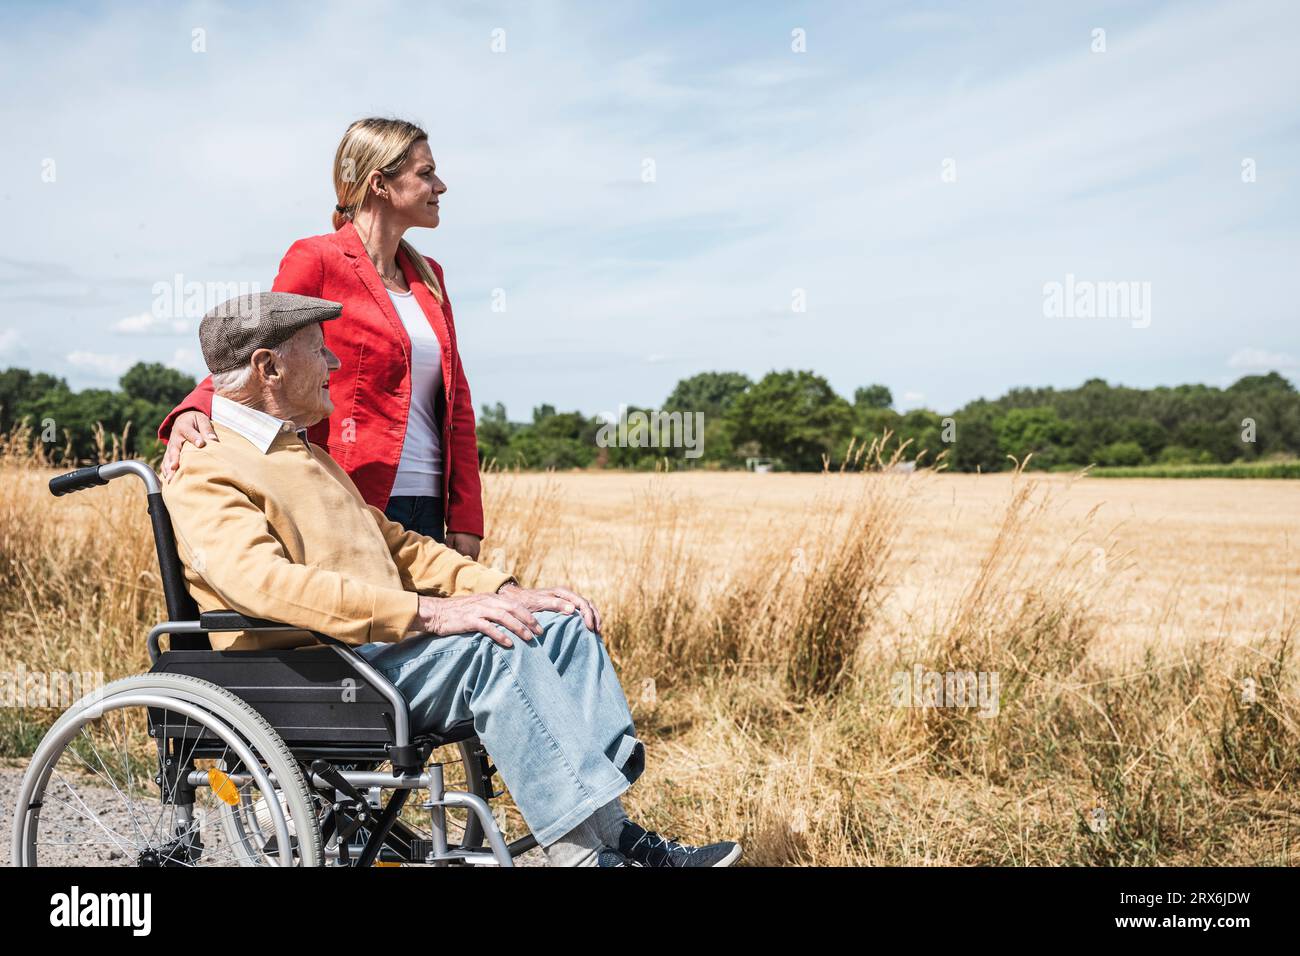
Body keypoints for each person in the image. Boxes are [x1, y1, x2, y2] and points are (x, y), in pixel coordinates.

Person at [162, 290, 743, 868]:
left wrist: (503, 589)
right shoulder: (209, 463)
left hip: (378, 653)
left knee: (560, 624)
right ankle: (582, 858)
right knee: (502, 648)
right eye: (320, 351)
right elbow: (258, 582)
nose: (333, 365)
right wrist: (429, 613)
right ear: (269, 367)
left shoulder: (302, 453)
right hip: (319, 670)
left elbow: (400, 545)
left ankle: (614, 832)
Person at [159, 117, 484, 555]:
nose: (440, 186)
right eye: (425, 174)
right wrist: (193, 407)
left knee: (447, 622)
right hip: (349, 490)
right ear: (379, 184)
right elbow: (257, 349)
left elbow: (456, 403)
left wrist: (466, 516)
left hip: (431, 502)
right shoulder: (318, 259)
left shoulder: (432, 279)